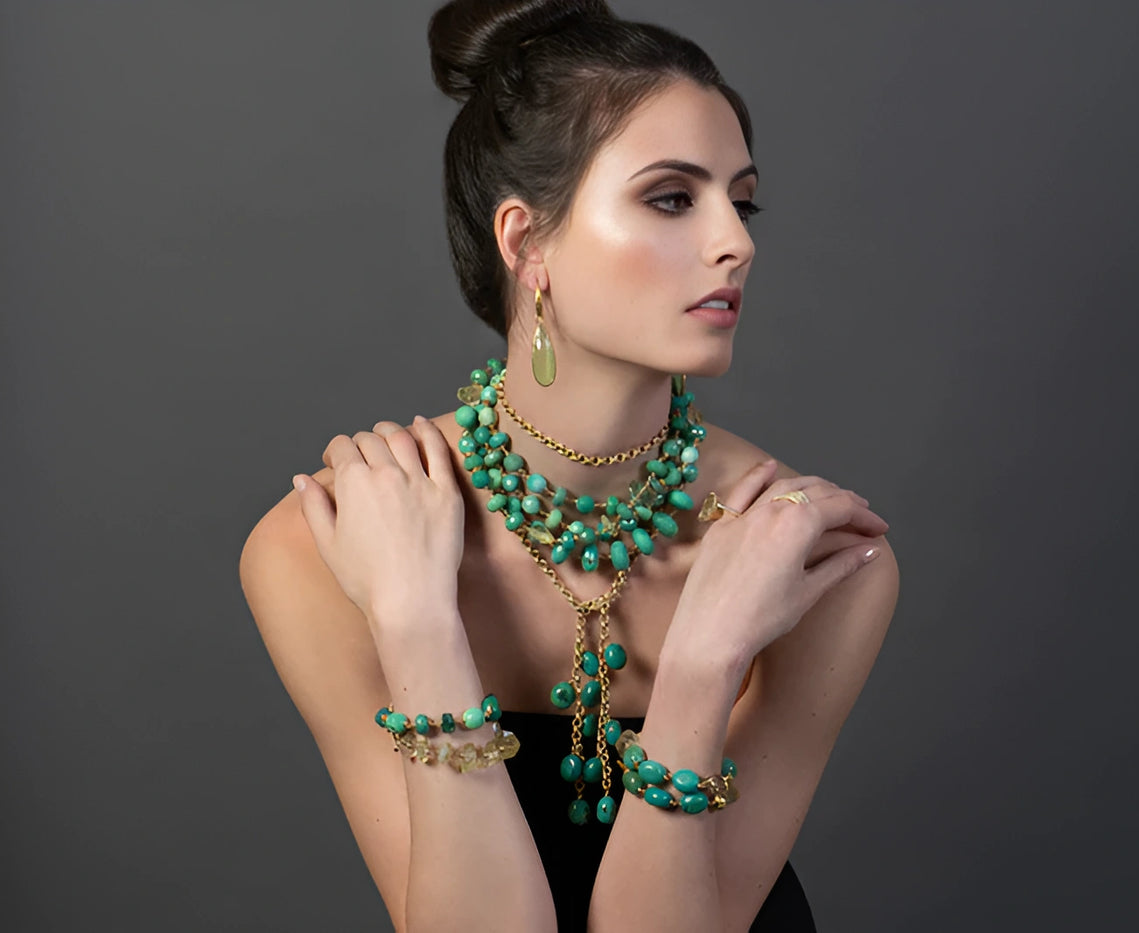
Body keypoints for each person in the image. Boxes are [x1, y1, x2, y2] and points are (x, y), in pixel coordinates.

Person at [238, 1, 900, 930]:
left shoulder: (812, 558)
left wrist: (706, 663)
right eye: (674, 197)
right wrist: (418, 622)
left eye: (739, 200)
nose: (738, 242)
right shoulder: (324, 550)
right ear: (525, 242)